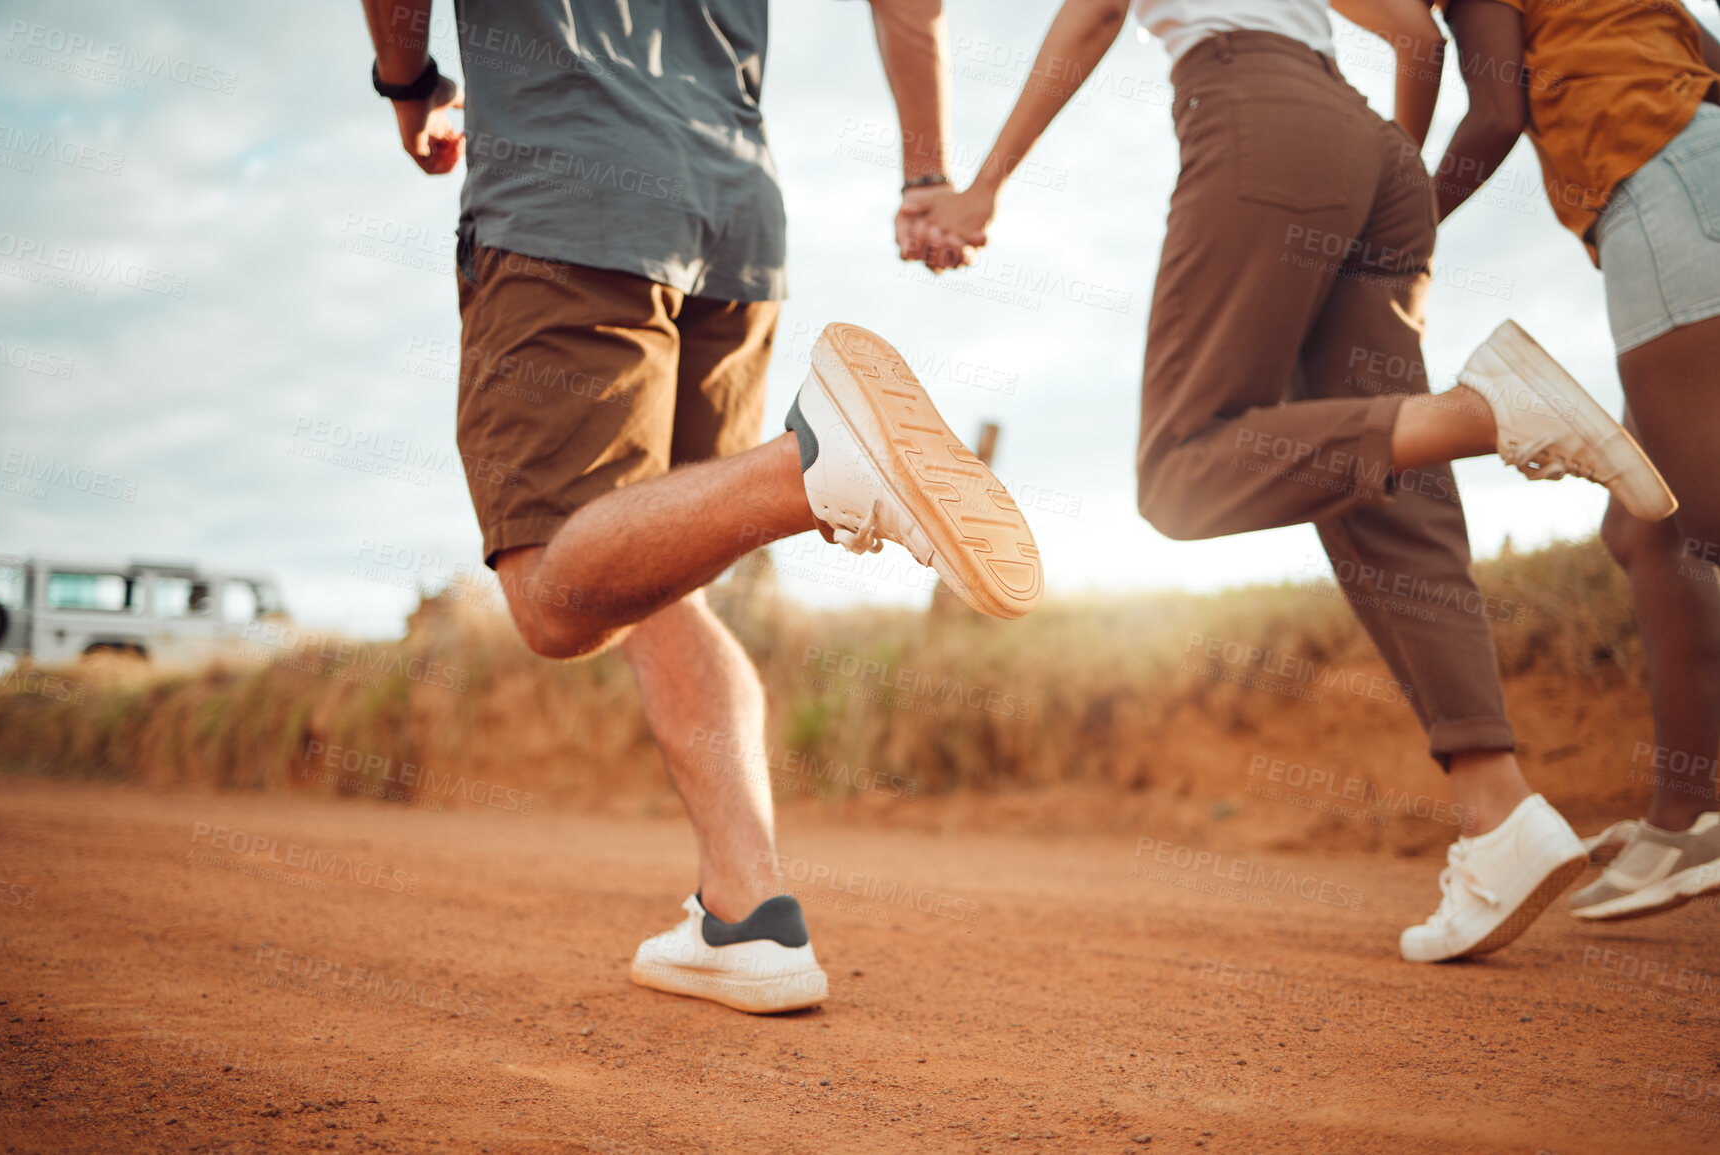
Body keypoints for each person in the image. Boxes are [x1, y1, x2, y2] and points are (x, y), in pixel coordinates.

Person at [901, 0, 1679, 962]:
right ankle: (1498, 815)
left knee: (1182, 472)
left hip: (1254, 115)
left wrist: (983, 185)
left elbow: (1096, 12)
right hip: (1367, 144)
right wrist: (1374, 172)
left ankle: (1484, 416)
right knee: (1383, 478)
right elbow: (1417, 36)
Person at [357, 0, 1044, 1014]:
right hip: (737, 214)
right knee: (657, 573)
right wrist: (926, 173)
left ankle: (814, 470)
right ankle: (746, 913)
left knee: (554, 598)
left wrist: (409, 83)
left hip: (570, 188)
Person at [1428, 0, 1720, 921]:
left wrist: (1398, 228)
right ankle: (1689, 815)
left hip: (1657, 181)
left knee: (1706, 513)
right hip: (1692, 159)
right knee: (1647, 523)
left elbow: (1492, 112)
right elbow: (1705, 51)